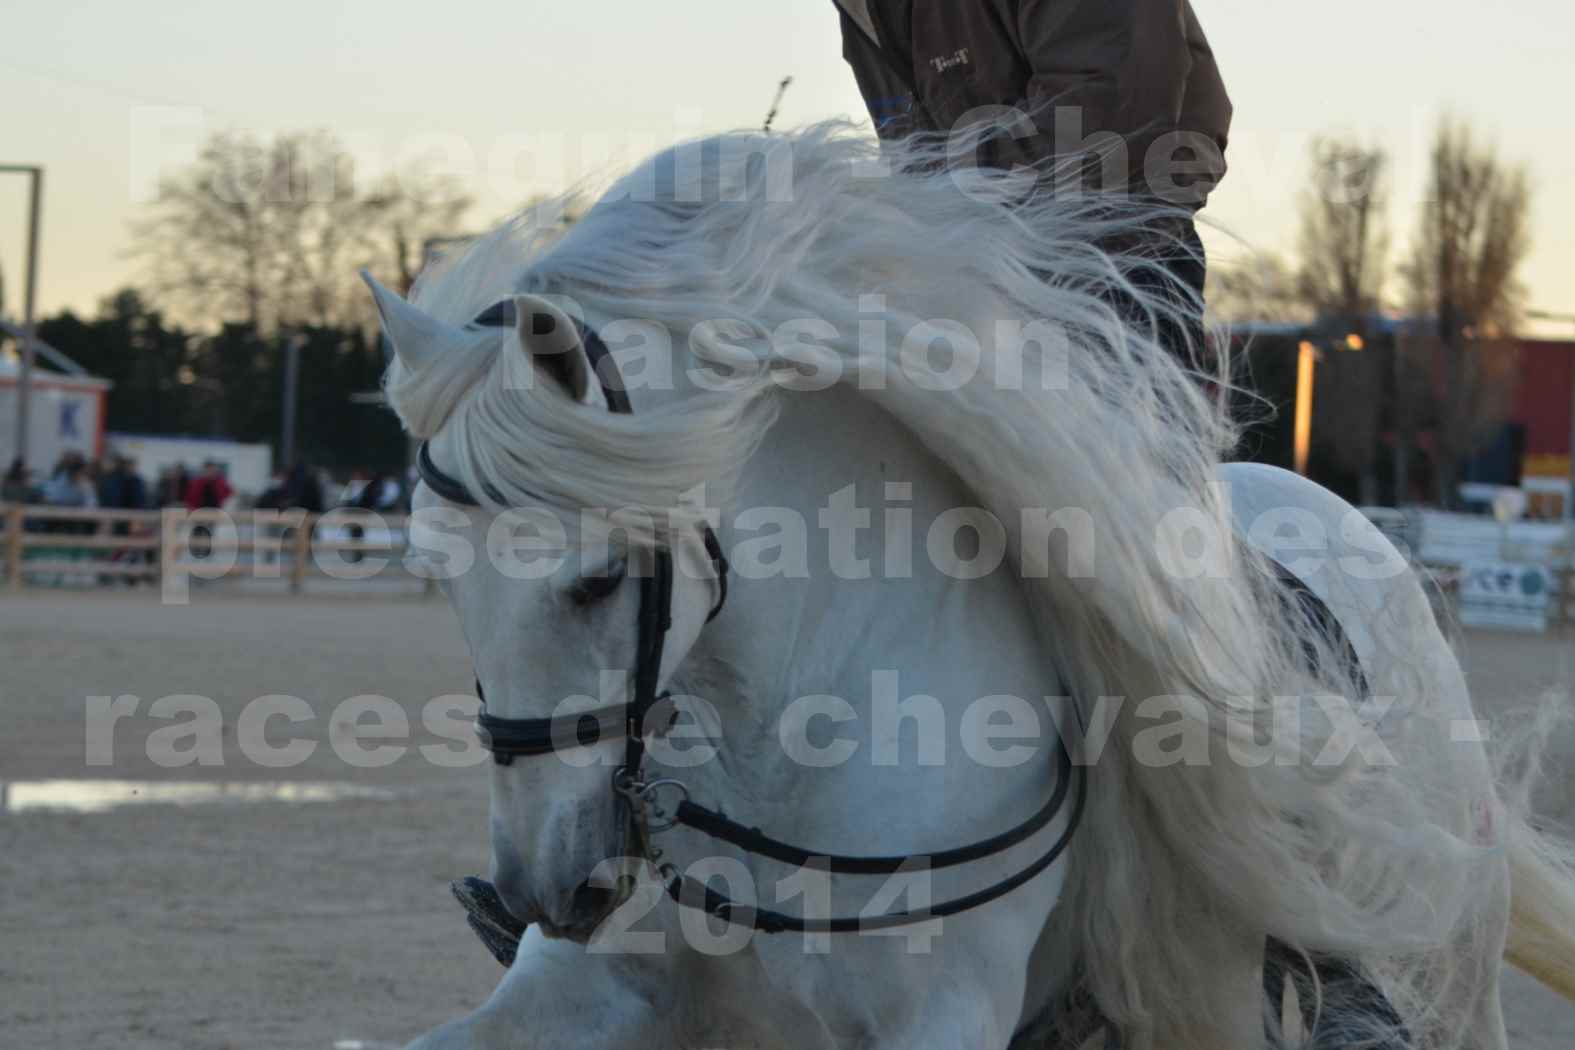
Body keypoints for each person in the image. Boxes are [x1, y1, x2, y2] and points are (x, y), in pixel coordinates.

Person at [830, 0, 1232, 360]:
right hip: (979, 284)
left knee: (1113, 440)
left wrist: (942, 210)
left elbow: (1112, 112)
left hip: (1112, 268)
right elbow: (915, 150)